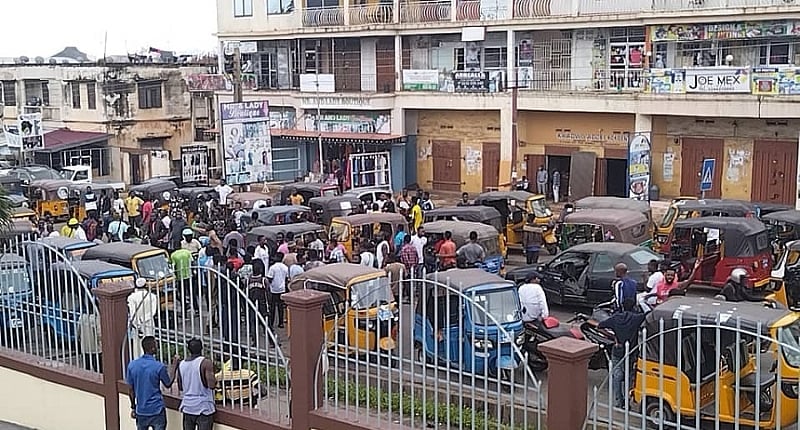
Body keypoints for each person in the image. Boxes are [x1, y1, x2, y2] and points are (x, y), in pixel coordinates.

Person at [591, 298, 646, 409]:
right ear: (634, 307)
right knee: (629, 374)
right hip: (631, 351)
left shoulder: (616, 318)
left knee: (617, 375)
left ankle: (619, 400)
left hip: (618, 350)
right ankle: (627, 399)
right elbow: (649, 313)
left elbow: (599, 326)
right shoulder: (636, 318)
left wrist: (614, 337)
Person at [126, 336, 177, 430]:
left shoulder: (132, 365)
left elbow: (131, 390)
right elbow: (168, 383)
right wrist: (174, 365)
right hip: (156, 409)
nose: (157, 347)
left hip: (141, 410)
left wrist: (133, 407)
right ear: (153, 348)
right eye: (156, 344)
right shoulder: (158, 366)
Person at [176, 339, 216, 430]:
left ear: (188, 349)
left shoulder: (182, 364)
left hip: (187, 406)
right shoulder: (206, 363)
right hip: (203, 407)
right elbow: (212, 385)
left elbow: (180, 387)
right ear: (202, 348)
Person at [128, 278, 160, 359]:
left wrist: (137, 323)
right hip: (148, 323)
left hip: (136, 324)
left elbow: (132, 313)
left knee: (137, 346)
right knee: (150, 343)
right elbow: (153, 311)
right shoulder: (152, 296)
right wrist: (144, 319)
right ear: (145, 285)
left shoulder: (131, 298)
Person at [171, 247, 198, 315]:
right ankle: (196, 309)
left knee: (182, 295)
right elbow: (192, 262)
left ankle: (184, 312)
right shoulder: (187, 252)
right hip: (189, 275)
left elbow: (173, 267)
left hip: (180, 278)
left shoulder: (173, 255)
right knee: (192, 294)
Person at [76, 305, 102, 372]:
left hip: (85, 347)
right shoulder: (96, 318)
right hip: (95, 347)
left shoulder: (81, 317)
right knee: (98, 368)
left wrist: (79, 340)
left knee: (86, 367)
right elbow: (99, 334)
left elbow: (78, 332)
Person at [267, 253, 289, 329]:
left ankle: (271, 322)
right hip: (282, 289)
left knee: (272, 307)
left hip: (273, 290)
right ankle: (281, 323)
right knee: (280, 307)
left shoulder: (272, 268)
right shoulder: (285, 267)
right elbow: (286, 278)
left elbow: (269, 278)